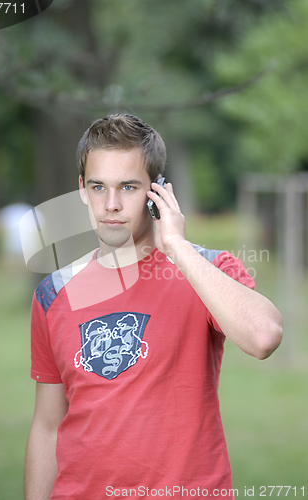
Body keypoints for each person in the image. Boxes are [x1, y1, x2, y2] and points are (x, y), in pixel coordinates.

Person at [24, 114, 283, 500]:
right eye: (98, 187)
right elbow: (47, 426)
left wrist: (176, 246)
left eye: (128, 187)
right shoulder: (54, 292)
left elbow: (263, 337)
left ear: (158, 191)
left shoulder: (207, 269)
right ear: (82, 189)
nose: (111, 205)